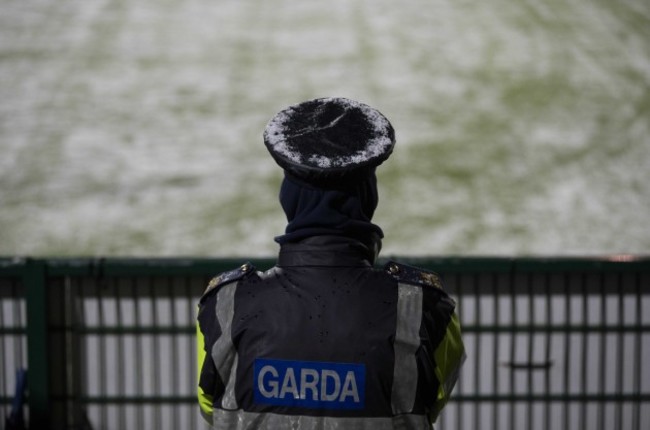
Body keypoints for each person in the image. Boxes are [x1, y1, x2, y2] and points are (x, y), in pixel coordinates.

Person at [196, 97, 465, 429]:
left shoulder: (224, 303)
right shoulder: (424, 307)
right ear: (369, 198)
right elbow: (432, 401)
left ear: (288, 199)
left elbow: (210, 405)